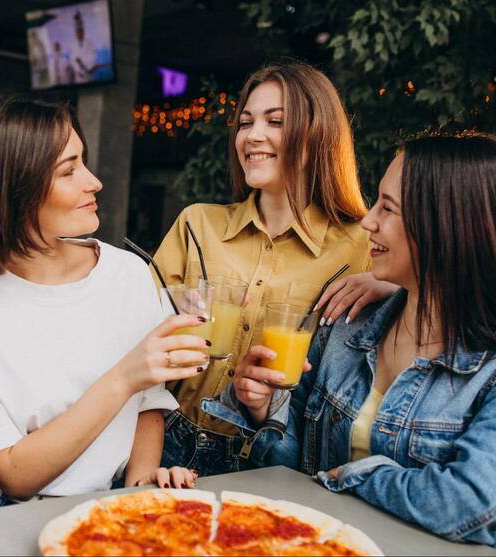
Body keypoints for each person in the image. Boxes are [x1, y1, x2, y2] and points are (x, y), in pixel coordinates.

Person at [207, 132, 496, 549]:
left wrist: (353, 475)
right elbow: (291, 466)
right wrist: (260, 409)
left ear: (450, 226)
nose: (368, 221)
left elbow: (471, 502)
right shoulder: (346, 324)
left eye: (388, 208)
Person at [0, 95, 206, 516]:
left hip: (106, 506)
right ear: (11, 191)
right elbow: (15, 475)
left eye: (83, 162)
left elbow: (149, 405)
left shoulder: (127, 274)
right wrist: (124, 376)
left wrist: (141, 487)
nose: (94, 182)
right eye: (69, 170)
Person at [153, 61, 398, 476]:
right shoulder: (197, 225)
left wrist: (395, 286)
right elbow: (135, 338)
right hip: (165, 438)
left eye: (275, 121)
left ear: (317, 135)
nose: (252, 136)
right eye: (245, 123)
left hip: (270, 459)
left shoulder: (362, 245)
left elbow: (444, 303)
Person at [69, 10, 96, 84]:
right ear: (75, 33)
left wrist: (82, 62)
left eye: (81, 31)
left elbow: (92, 57)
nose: (79, 33)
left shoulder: (90, 42)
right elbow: (72, 59)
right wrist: (78, 67)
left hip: (88, 76)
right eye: (78, 31)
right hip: (78, 78)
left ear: (84, 31)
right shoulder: (72, 44)